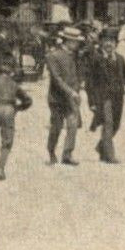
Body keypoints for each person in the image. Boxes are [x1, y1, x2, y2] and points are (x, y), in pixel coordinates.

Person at [84, 31, 125, 163]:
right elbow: (89, 82)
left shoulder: (119, 58)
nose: (109, 44)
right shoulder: (96, 59)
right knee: (108, 123)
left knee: (116, 125)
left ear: (115, 44)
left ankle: (101, 147)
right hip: (103, 98)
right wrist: (91, 101)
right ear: (101, 43)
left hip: (118, 98)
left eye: (112, 42)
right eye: (106, 41)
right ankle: (110, 155)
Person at [45, 27, 85, 165]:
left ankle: (67, 154)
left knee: (73, 125)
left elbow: (77, 75)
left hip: (72, 97)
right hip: (57, 98)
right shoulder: (53, 56)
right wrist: (71, 92)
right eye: (75, 42)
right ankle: (51, 151)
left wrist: (78, 88)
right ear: (67, 41)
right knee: (56, 127)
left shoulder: (75, 56)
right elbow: (57, 79)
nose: (77, 45)